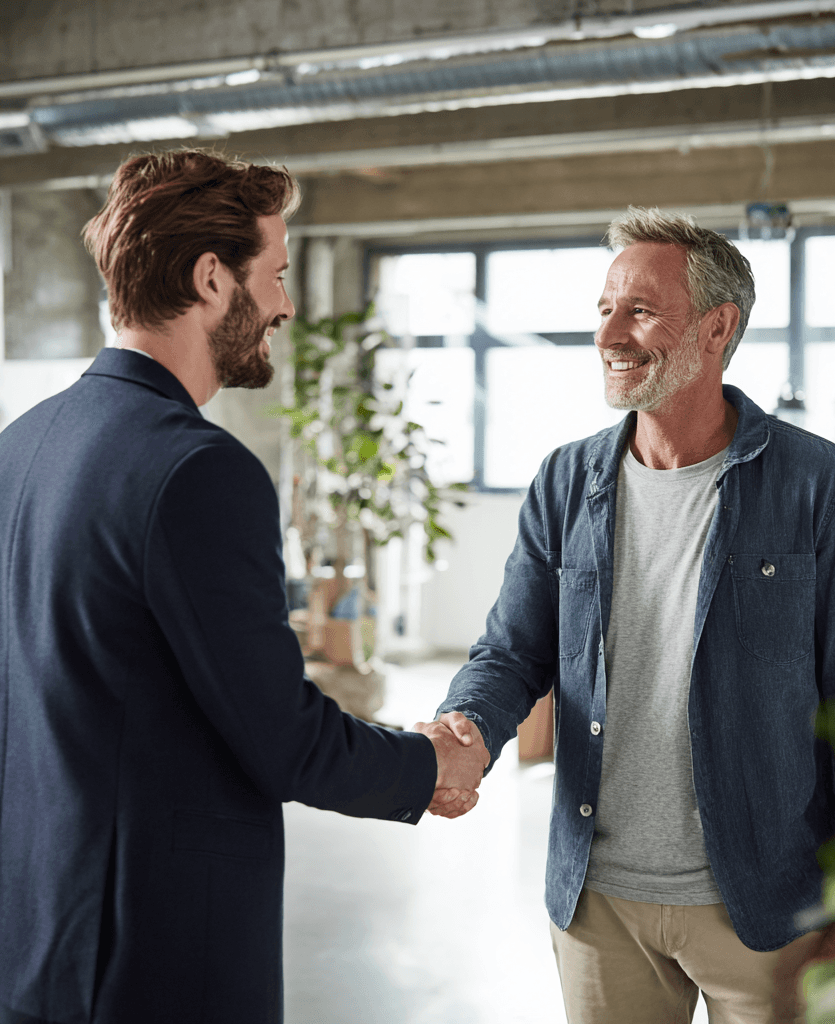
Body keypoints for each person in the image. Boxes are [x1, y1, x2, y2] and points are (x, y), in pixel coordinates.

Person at [0, 149, 488, 1024]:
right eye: (277, 275)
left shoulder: (23, 444)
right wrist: (428, 765)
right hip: (149, 957)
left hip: (33, 935)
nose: (286, 306)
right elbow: (280, 735)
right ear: (211, 278)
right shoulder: (198, 470)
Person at [431, 207, 835, 1023]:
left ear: (717, 328)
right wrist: (466, 727)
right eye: (604, 310)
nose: (608, 335)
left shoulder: (822, 485)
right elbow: (512, 652)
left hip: (770, 910)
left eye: (640, 311)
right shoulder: (564, 481)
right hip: (598, 905)